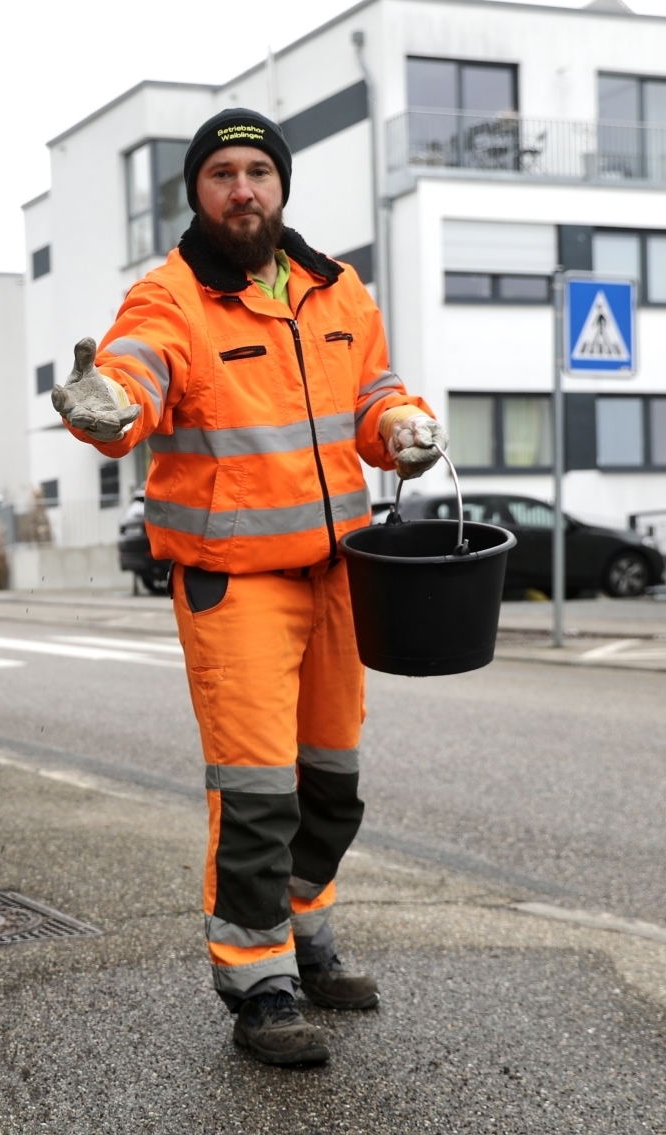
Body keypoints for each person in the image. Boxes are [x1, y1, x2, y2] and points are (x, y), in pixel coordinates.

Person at [51, 108, 447, 1066]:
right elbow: (133, 376)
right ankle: (258, 981)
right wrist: (108, 406)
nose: (241, 190)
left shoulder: (335, 288)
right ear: (197, 191)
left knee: (331, 786)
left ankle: (307, 934)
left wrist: (400, 424)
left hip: (338, 576)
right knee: (258, 794)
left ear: (280, 185)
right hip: (235, 586)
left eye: (256, 172)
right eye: (221, 173)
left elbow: (372, 392)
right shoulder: (170, 297)